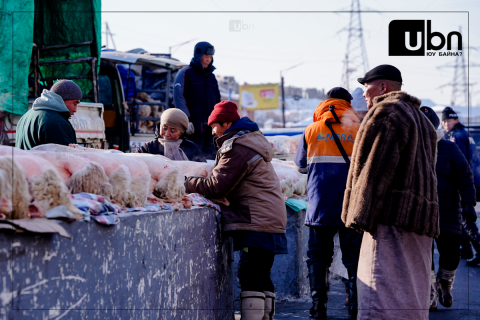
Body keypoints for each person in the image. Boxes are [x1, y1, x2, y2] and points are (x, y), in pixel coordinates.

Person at [341, 65, 439, 320]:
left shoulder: (387, 111)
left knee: (380, 295)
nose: (363, 95)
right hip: (419, 220)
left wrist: (358, 215)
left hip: (389, 219)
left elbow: (376, 168)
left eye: (366, 87)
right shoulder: (421, 118)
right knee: (411, 296)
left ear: (383, 87)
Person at [184, 100, 287, 320]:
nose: (212, 131)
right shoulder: (251, 141)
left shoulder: (237, 147)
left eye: (215, 126)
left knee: (249, 273)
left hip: (256, 221)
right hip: (270, 218)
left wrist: (186, 182)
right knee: (262, 273)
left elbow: (217, 186)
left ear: (227, 123)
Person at [294, 87, 362, 320]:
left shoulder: (311, 130)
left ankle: (317, 307)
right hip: (352, 205)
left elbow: (301, 166)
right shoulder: (359, 129)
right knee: (354, 257)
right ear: (348, 104)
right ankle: (355, 308)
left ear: (326, 103)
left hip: (320, 204)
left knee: (318, 256)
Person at [421, 107, 477, 310]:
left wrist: (469, 204)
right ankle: (431, 293)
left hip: (448, 210)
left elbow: (465, 175)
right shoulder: (411, 149)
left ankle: (445, 283)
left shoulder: (449, 147)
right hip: (420, 213)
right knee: (424, 256)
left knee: (452, 254)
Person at [441, 107, 480, 265]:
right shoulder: (466, 133)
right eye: (443, 122)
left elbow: (459, 164)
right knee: (461, 215)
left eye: (448, 121)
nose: (445, 125)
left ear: (455, 120)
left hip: (466, 182)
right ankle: (466, 248)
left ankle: (478, 248)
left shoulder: (456, 136)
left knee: (465, 217)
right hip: (474, 179)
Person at [173, 41, 221, 160]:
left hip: (210, 130)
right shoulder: (186, 73)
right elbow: (179, 97)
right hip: (192, 129)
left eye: (210, 57)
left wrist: (219, 121)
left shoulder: (212, 78)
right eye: (206, 56)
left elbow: (218, 101)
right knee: (192, 160)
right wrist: (186, 120)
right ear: (198, 56)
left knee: (210, 160)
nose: (208, 60)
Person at [16, 79, 81, 150]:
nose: (75, 110)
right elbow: (64, 159)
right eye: (74, 104)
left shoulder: (26, 116)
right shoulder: (56, 122)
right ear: (61, 99)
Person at [135, 108, 206, 162]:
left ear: (182, 132)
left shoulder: (192, 148)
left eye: (173, 131)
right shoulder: (148, 148)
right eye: (164, 128)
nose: (167, 134)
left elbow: (202, 169)